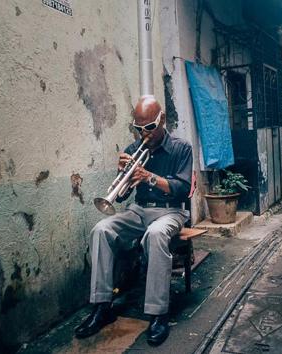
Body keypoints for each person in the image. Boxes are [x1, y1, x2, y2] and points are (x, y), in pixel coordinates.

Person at [75, 95, 192, 346]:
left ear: (163, 120)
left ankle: (158, 313)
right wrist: (123, 176)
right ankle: (101, 306)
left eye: (149, 127)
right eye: (138, 128)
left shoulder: (182, 148)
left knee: (156, 234)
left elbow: (183, 189)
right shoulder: (132, 150)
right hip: (139, 210)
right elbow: (123, 196)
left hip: (170, 211)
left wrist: (149, 177)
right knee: (101, 230)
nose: (144, 134)